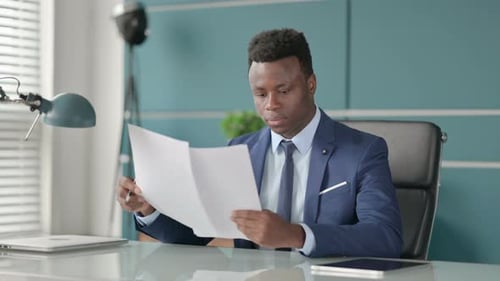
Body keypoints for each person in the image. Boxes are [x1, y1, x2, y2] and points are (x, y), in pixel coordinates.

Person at [117, 28, 402, 258]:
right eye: (260, 94)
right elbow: (194, 234)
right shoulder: (239, 150)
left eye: (283, 90)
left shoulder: (363, 151)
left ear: (311, 84)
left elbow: (385, 237)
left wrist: (296, 234)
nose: (271, 105)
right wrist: (148, 208)